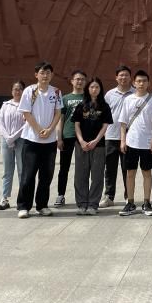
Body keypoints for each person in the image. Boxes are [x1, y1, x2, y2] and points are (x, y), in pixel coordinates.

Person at [17, 61, 63, 218]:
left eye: (48, 73)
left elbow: (58, 113)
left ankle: (42, 205)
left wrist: (50, 129)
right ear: (36, 75)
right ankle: (24, 206)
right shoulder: (30, 91)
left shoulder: (56, 92)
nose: (45, 75)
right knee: (28, 175)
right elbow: (26, 113)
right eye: (42, 73)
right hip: (31, 140)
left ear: (52, 75)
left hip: (49, 142)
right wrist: (38, 130)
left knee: (46, 175)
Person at [118, 70, 152, 216]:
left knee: (147, 173)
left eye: (144, 81)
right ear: (134, 83)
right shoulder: (128, 100)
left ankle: (146, 203)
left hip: (147, 142)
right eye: (139, 81)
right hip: (131, 142)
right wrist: (123, 140)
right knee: (130, 173)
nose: (141, 83)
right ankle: (130, 203)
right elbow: (123, 122)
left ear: (148, 83)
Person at [71, 77, 112, 215]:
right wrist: (81, 141)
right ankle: (82, 204)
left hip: (98, 145)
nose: (94, 89)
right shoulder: (81, 106)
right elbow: (76, 125)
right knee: (80, 175)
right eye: (92, 87)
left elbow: (105, 126)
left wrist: (95, 140)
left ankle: (93, 205)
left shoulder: (104, 106)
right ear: (88, 89)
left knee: (97, 175)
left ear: (100, 89)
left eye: (97, 87)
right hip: (81, 145)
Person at [100, 66, 133, 207]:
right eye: (121, 75)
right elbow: (103, 115)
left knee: (127, 168)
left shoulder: (135, 93)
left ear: (130, 77)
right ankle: (109, 196)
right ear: (116, 78)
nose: (123, 77)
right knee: (110, 168)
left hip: (130, 137)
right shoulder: (109, 94)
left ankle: (128, 196)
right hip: (111, 136)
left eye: (126, 75)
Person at [55, 70, 86, 207]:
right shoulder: (65, 99)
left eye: (82, 79)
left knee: (83, 168)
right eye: (77, 79)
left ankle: (83, 196)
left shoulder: (88, 98)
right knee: (64, 167)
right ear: (72, 81)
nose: (79, 81)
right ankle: (61, 195)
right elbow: (60, 119)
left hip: (83, 138)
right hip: (67, 135)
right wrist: (59, 138)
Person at [0, 79, 26, 210]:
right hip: (6, 139)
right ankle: (4, 198)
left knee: (22, 170)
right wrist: (8, 138)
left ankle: (23, 198)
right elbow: (0, 122)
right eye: (15, 89)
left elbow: (27, 124)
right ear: (12, 91)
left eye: (20, 89)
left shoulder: (26, 106)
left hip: (21, 139)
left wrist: (13, 137)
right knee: (7, 170)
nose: (17, 91)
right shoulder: (6, 105)